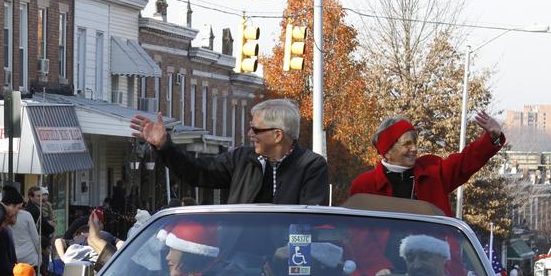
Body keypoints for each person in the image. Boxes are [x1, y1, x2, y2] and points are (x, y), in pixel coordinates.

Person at [130, 99, 329, 205]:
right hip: (239, 260)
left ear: (278, 135)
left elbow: (309, 217)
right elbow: (198, 172)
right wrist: (165, 146)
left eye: (256, 129)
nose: (250, 133)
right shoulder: (241, 159)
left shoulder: (311, 166)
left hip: (288, 261)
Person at [349, 111, 506, 215]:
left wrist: (492, 138)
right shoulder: (364, 185)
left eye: (415, 143)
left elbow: (465, 161)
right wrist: (380, 266)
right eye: (407, 144)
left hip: (435, 262)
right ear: (388, 150)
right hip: (384, 265)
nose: (414, 149)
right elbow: (360, 238)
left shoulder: (433, 172)